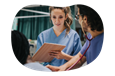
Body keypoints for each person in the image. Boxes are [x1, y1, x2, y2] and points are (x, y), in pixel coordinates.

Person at [46, 4, 104, 72]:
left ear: (85, 19)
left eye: (78, 16)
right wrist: (62, 67)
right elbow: (80, 58)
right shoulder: (90, 37)